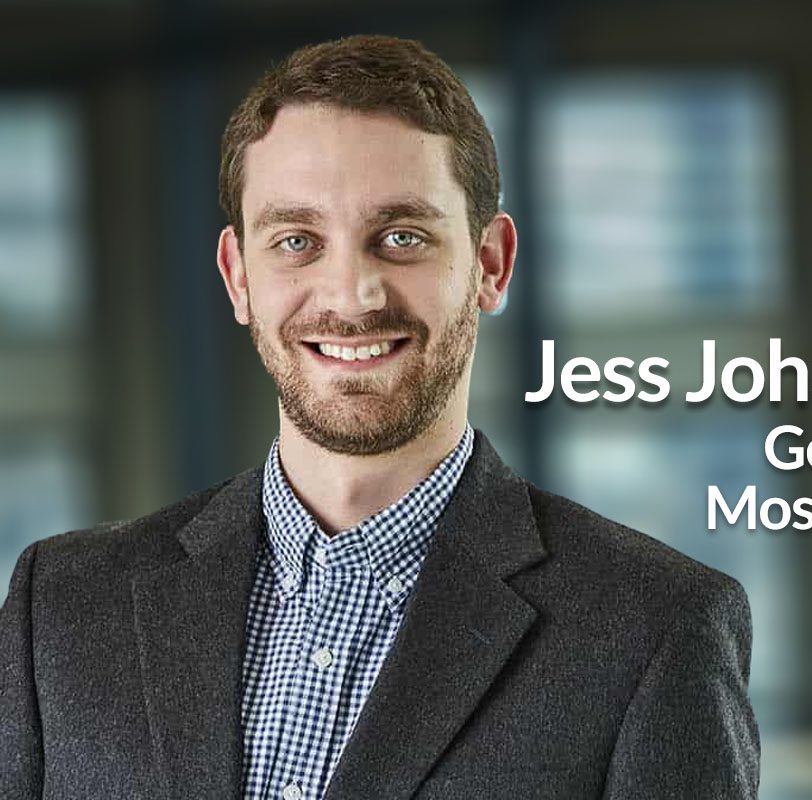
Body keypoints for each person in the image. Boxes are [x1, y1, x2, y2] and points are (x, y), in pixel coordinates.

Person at [0, 35, 759, 799]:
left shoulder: (655, 629)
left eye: (402, 238)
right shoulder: (62, 609)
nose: (352, 295)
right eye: (297, 241)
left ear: (490, 263)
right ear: (238, 277)